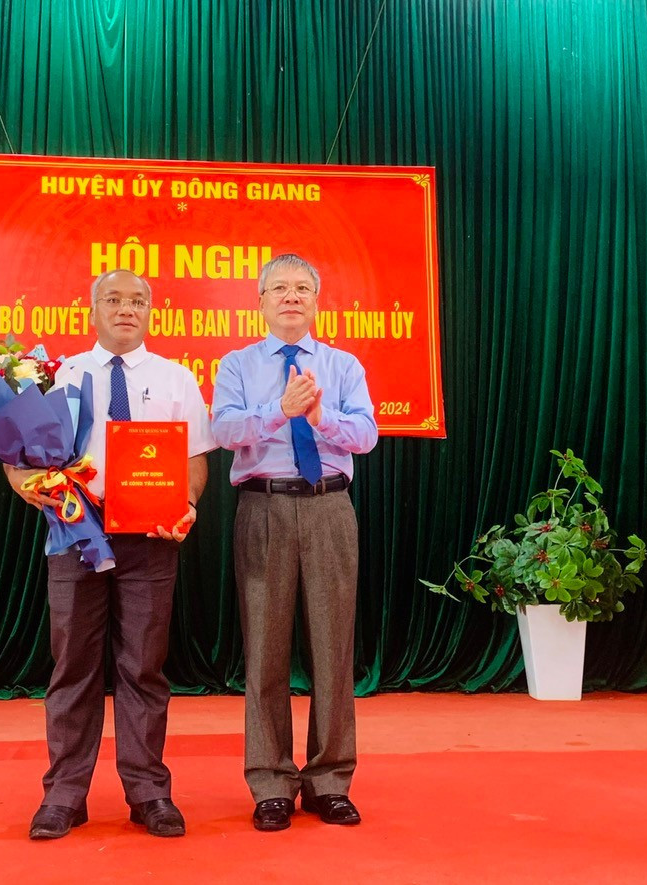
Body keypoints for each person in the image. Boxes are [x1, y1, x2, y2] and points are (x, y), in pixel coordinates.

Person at [3, 269, 216, 840]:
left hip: (152, 539)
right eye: (114, 300)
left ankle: (149, 793)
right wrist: (28, 485)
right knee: (73, 665)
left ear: (153, 312)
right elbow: (16, 455)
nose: (127, 309)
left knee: (143, 667)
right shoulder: (58, 375)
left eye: (138, 301)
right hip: (75, 536)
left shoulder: (177, 379)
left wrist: (188, 504)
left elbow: (195, 459)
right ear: (91, 310)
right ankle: (64, 796)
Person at [211, 253, 378, 832]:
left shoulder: (342, 364)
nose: (290, 296)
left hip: (331, 506)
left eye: (301, 287)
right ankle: (272, 782)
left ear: (315, 300)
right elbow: (223, 430)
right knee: (265, 650)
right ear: (260, 301)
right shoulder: (236, 364)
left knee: (333, 650)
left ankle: (330, 780)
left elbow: (366, 435)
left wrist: (321, 415)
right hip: (264, 506)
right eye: (278, 288)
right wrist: (277, 412)